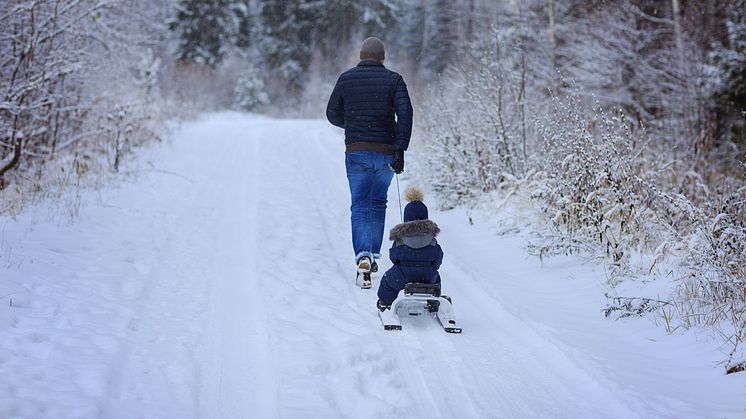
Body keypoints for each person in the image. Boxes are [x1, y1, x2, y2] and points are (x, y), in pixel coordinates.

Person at [326, 36, 413, 288]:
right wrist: (400, 148)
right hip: (386, 150)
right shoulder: (394, 80)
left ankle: (363, 257)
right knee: (378, 201)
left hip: (357, 151)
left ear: (361, 56)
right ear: (382, 58)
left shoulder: (346, 78)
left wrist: (353, 124)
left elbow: (332, 114)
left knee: (361, 203)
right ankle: (373, 255)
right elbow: (406, 113)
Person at [377, 187, 443, 311]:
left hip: (402, 275)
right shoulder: (432, 240)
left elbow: (393, 257)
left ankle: (385, 302)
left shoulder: (400, 239)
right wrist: (432, 267)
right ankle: (433, 301)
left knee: (387, 281)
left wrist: (402, 264)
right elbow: (438, 257)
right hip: (427, 275)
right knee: (436, 278)